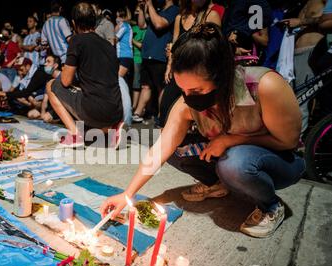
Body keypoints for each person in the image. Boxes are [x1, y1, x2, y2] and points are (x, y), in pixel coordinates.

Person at [101, 23, 305, 239]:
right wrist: (127, 194)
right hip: (234, 155)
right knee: (175, 150)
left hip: (283, 162)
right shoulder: (187, 103)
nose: (189, 97)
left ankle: (271, 205)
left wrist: (229, 140)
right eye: (183, 89)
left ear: (220, 77)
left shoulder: (263, 86)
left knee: (235, 163)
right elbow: (160, 149)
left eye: (196, 90)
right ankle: (220, 184)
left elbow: (288, 142)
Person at [46, 2, 124, 149]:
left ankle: (75, 135)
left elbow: (66, 81)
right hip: (116, 111)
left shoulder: (77, 40)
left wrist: (61, 70)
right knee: (94, 107)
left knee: (51, 85)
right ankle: (113, 128)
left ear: (74, 23)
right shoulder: (108, 45)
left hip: (94, 111)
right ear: (94, 21)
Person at [155, 0, 222, 126]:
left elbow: (216, 48)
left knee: (197, 111)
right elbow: (173, 45)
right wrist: (169, 66)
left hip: (199, 74)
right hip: (179, 72)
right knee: (166, 107)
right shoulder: (179, 18)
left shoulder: (211, 16)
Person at [281, 0, 327, 136]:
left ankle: (298, 139)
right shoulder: (302, 3)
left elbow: (326, 20)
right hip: (292, 56)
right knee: (292, 98)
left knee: (302, 98)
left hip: (310, 52)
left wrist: (301, 22)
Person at [136, 0, 179, 121]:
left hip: (159, 55)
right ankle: (138, 113)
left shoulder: (173, 10)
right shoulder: (159, 10)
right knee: (145, 86)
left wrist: (150, 5)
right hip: (147, 54)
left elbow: (159, 24)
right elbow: (142, 25)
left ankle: (162, 116)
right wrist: (142, 7)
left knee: (161, 88)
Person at [131, 8, 147, 112]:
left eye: (139, 11)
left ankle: (135, 108)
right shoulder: (133, 28)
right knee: (133, 83)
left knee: (137, 84)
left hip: (139, 59)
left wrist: (131, 39)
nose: (137, 12)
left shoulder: (145, 30)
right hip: (131, 59)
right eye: (136, 11)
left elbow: (142, 46)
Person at [115, 7, 134, 79]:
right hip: (120, 56)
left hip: (125, 56)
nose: (117, 19)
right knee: (121, 80)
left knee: (118, 79)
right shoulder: (122, 25)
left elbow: (115, 40)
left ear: (124, 17)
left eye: (119, 16)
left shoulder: (125, 26)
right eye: (116, 16)